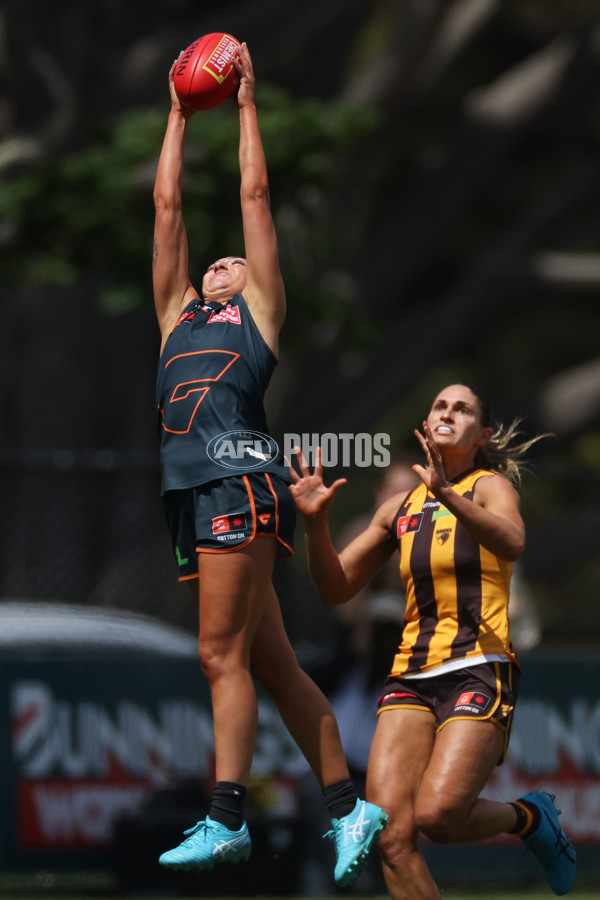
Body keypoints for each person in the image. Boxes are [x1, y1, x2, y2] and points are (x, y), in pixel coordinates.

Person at [151, 43, 387, 884]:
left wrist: (246, 105)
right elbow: (169, 206)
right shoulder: (177, 316)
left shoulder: (257, 318)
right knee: (272, 664)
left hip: (236, 484)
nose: (220, 260)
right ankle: (349, 807)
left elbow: (254, 193)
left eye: (234, 261)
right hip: (193, 492)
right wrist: (178, 117)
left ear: (256, 282)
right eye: (213, 261)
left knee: (220, 657)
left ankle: (226, 818)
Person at [289, 384, 576, 898]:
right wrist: (315, 525)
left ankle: (530, 817)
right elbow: (336, 588)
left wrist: (447, 493)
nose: (448, 412)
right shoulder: (398, 507)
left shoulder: (489, 487)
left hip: (478, 664)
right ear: (426, 424)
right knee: (394, 836)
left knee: (439, 816)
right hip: (411, 673)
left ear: (482, 434)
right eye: (440, 406)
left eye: (462, 408)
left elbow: (512, 542)